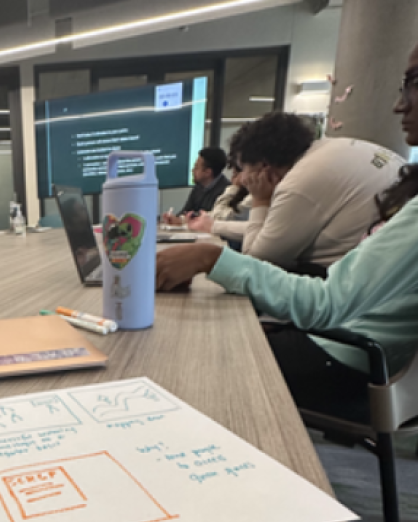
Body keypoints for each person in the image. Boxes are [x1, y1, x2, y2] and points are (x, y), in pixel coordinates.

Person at [156, 42, 418, 425]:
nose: (400, 104)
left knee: (195, 351)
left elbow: (321, 301)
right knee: (228, 327)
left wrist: (208, 256)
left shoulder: (304, 178)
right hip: (355, 341)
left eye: (411, 82)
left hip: (346, 356)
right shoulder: (326, 157)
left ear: (263, 164)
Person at [209, 113, 403, 271]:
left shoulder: (298, 183)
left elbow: (255, 262)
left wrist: (260, 200)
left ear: (264, 166)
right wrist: (214, 226)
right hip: (391, 270)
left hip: (347, 283)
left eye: (244, 169)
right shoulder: (328, 149)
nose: (242, 179)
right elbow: (273, 231)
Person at [161, 147, 230, 223]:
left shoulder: (226, 191)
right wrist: (174, 219)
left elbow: (209, 218)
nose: (192, 170)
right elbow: (185, 211)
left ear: (208, 172)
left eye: (196, 167)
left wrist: (182, 220)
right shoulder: (198, 187)